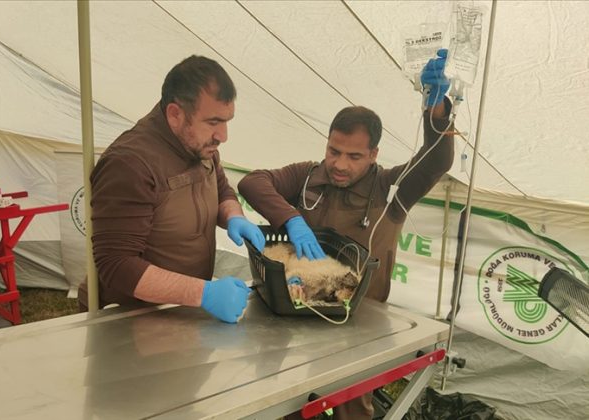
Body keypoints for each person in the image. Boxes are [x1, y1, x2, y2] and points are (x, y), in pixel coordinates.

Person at [238, 49, 454, 419]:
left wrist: (436, 113)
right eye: (333, 151)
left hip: (357, 325)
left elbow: (437, 160)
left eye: (353, 156)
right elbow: (252, 182)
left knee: (352, 408)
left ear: (373, 154)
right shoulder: (308, 175)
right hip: (294, 313)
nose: (339, 164)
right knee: (288, 401)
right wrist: (291, 218)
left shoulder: (392, 189)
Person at [89, 55, 265, 324]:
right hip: (135, 321)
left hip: (187, 311)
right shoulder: (129, 163)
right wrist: (204, 293)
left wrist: (234, 216)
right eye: (213, 122)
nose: (223, 136)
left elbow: (222, 190)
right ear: (175, 114)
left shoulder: (200, 143)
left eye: (227, 121)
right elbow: (117, 265)